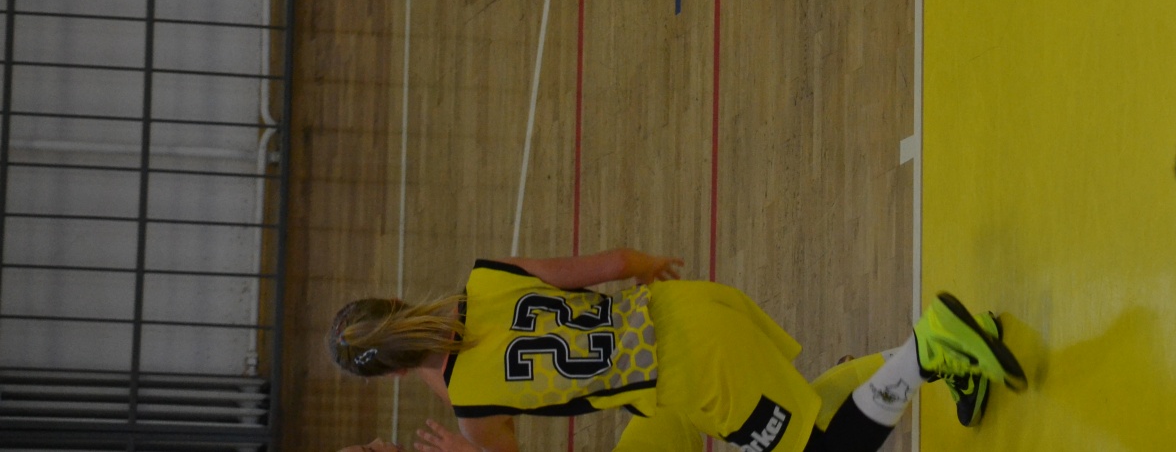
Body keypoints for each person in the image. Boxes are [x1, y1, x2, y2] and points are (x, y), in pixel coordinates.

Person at [327, 246, 1026, 452]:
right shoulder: (486, 278)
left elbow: (475, 398)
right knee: (804, 420)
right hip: (684, 309)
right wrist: (648, 263)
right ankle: (939, 357)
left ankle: (928, 351)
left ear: (393, 377)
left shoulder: (475, 410)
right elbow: (610, 263)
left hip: (692, 375)